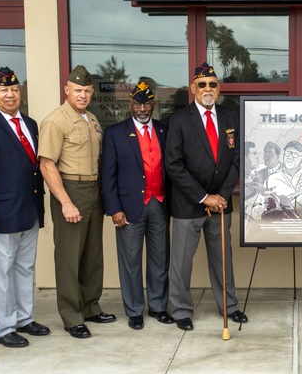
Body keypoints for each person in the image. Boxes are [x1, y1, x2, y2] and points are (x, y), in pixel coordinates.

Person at [0, 67, 50, 348]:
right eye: (3, 90)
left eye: (14, 89)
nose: (10, 94)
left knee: (25, 268)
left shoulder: (31, 123)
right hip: (0, 216)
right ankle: (3, 327)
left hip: (29, 211)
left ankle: (24, 318)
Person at [164, 63, 247, 331]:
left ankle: (229, 306)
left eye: (212, 84)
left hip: (221, 203)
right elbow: (174, 165)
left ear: (219, 89)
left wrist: (221, 195)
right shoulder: (179, 119)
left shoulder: (230, 117)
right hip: (189, 204)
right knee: (182, 262)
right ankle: (180, 310)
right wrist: (203, 197)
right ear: (193, 89)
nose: (207, 89)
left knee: (223, 259)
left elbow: (236, 159)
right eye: (202, 85)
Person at [39, 65, 114, 339]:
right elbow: (47, 165)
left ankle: (91, 306)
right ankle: (72, 316)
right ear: (67, 89)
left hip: (93, 190)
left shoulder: (91, 119)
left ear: (92, 92)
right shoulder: (56, 120)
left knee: (93, 255)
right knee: (69, 257)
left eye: (86, 91)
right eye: (77, 90)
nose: (82, 95)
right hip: (70, 188)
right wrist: (65, 202)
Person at [100, 80, 174, 330]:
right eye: (137, 104)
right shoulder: (115, 133)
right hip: (130, 206)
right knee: (130, 261)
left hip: (160, 203)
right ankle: (134, 310)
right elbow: (107, 175)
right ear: (130, 104)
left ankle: (158, 306)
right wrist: (114, 209)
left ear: (153, 104)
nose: (143, 109)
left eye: (147, 104)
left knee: (160, 259)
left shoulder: (165, 130)